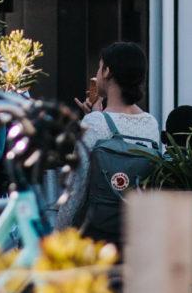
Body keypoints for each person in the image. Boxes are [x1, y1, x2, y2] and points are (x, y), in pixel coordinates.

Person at [54, 39, 161, 233]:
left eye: (99, 67)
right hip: (137, 229)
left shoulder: (95, 123)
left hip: (100, 233)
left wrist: (59, 232)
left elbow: (76, 188)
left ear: (107, 72)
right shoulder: (151, 123)